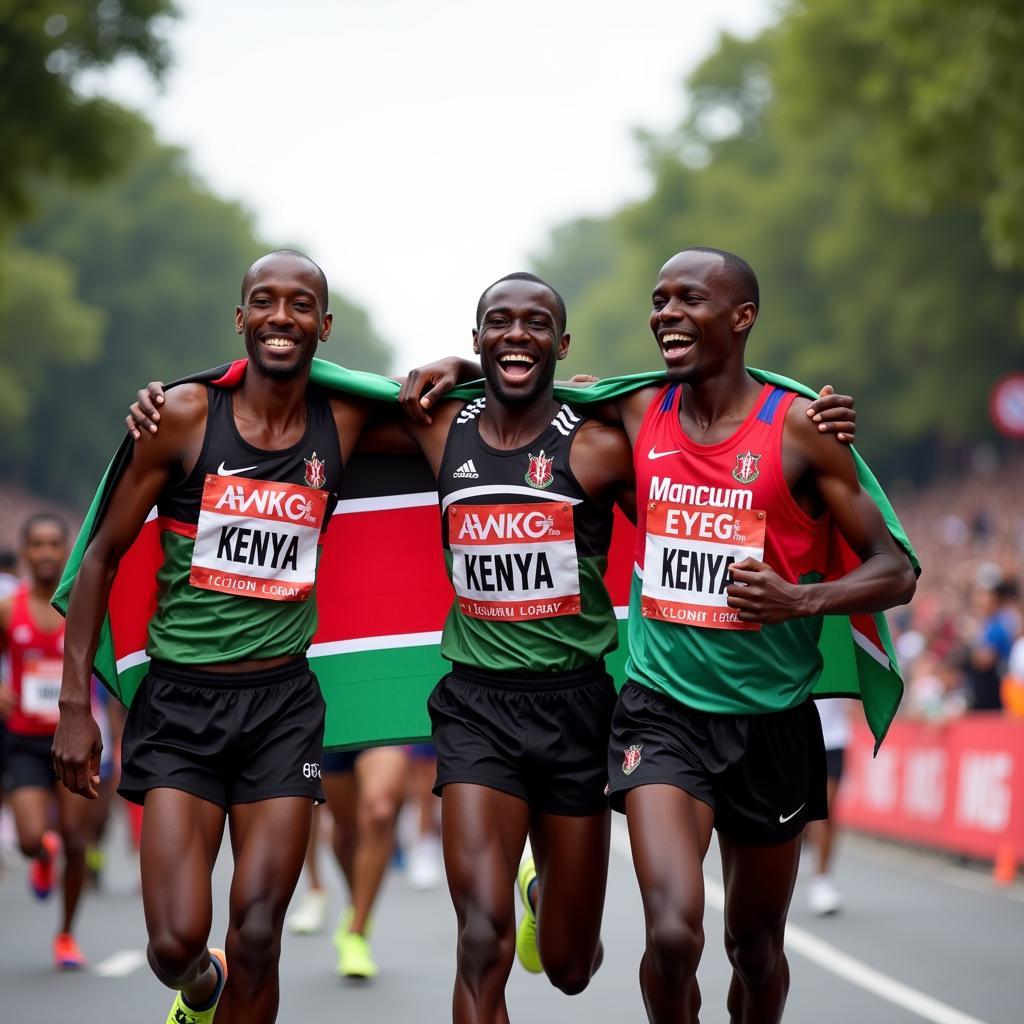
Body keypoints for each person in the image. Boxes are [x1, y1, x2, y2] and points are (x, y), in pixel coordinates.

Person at [129, 268, 857, 1023]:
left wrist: (805, 429)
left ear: (562, 342)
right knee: (480, 941)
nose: (518, 335)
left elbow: (704, 492)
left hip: (579, 707)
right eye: (497, 325)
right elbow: (317, 397)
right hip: (475, 704)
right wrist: (185, 392)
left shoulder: (606, 442)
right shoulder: (439, 424)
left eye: (536, 325)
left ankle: (542, 889)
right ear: (475, 338)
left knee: (573, 968)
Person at [54, 250, 387, 1024]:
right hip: (180, 707)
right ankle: (202, 991)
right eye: (263, 303)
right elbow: (101, 556)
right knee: (174, 945)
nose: (281, 317)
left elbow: (463, 421)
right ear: (239, 319)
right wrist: (76, 706)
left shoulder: (342, 423)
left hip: (281, 707)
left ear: (324, 325)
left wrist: (472, 368)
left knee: (262, 930)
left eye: (300, 305)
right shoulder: (181, 417)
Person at [590, 247, 916, 1024]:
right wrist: (453, 358)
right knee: (673, 934)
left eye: (688, 299)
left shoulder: (801, 428)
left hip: (771, 720)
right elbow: (518, 375)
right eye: (659, 299)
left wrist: (800, 601)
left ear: (742, 318)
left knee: (755, 948)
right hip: (659, 710)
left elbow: (896, 570)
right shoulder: (636, 411)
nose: (665, 313)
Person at [0, 514, 92, 969]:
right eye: (37, 544)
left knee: (77, 840)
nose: (46, 553)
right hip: (23, 740)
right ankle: (41, 854)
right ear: (24, 551)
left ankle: (66, 935)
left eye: (55, 544)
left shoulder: (81, 604)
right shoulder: (7, 608)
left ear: (66, 549)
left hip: (72, 743)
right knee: (32, 836)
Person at [806, 698, 852, 915]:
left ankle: (821, 881)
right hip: (798, 739)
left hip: (833, 741)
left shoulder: (841, 663)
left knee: (824, 811)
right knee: (802, 814)